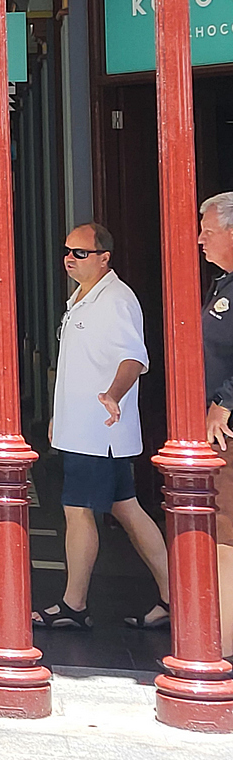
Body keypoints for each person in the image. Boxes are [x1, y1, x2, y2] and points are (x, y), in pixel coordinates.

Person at [32, 223, 168, 632]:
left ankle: (74, 604)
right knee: (126, 508)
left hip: (98, 432)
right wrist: (60, 415)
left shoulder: (116, 300)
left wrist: (113, 394)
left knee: (78, 511)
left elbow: (133, 358)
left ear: (104, 258)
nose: (69, 259)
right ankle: (175, 595)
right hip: (83, 428)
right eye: (67, 251)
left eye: (80, 252)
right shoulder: (81, 297)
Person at [196, 193, 233, 645]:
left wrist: (225, 401)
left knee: (224, 534)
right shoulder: (222, 285)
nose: (200, 239)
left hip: (226, 430)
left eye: (208, 230)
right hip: (212, 429)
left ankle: (221, 647)